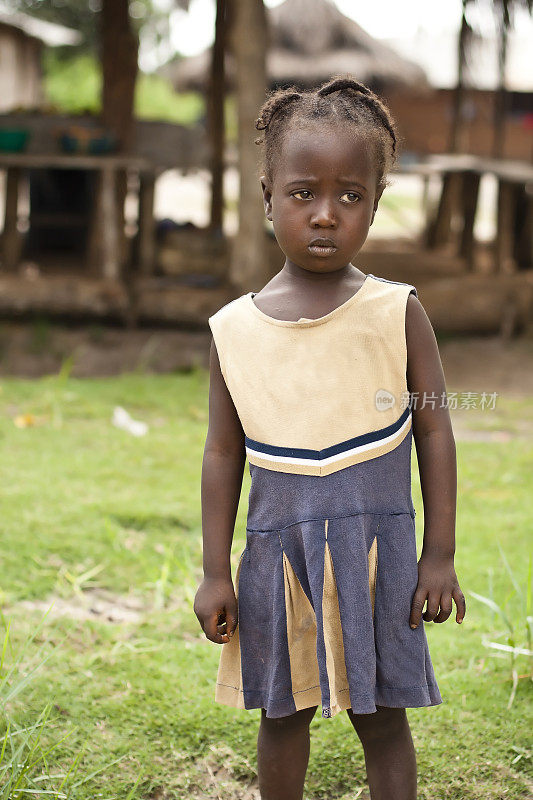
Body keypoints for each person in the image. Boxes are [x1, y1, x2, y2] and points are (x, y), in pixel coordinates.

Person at [194, 76, 466, 800]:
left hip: (377, 554)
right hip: (278, 554)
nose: (324, 215)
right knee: (284, 717)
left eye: (350, 196)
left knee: (384, 722)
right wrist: (213, 570)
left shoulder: (396, 313)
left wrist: (437, 555)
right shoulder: (235, 332)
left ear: (374, 206)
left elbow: (435, 427)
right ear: (266, 197)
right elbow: (222, 453)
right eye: (302, 192)